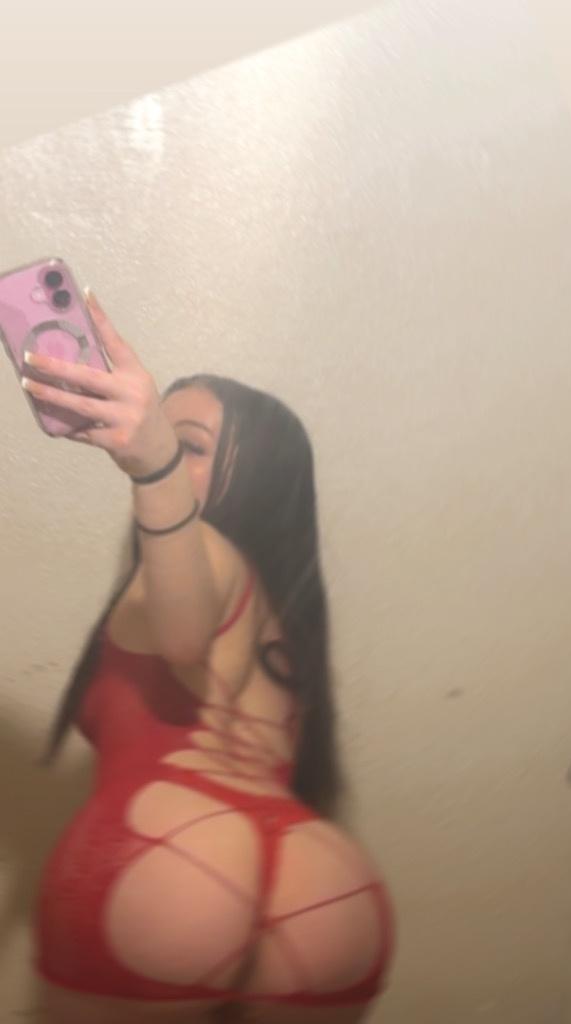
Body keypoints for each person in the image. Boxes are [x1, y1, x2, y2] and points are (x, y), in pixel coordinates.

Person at [25, 290, 395, 1024]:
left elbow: (184, 638)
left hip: (176, 857)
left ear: (254, 478)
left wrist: (154, 468)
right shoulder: (284, 622)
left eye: (188, 445)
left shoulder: (211, 559)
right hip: (323, 879)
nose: (159, 446)